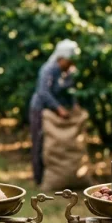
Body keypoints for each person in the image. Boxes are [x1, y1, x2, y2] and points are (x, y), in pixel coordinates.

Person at [29, 39, 79, 185]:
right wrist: (59, 108)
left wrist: (74, 105)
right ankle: (39, 179)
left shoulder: (68, 72)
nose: (70, 64)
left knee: (56, 146)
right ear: (61, 58)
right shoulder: (48, 69)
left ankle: (59, 175)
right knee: (39, 143)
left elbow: (71, 92)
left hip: (56, 112)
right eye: (68, 61)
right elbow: (43, 92)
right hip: (40, 110)